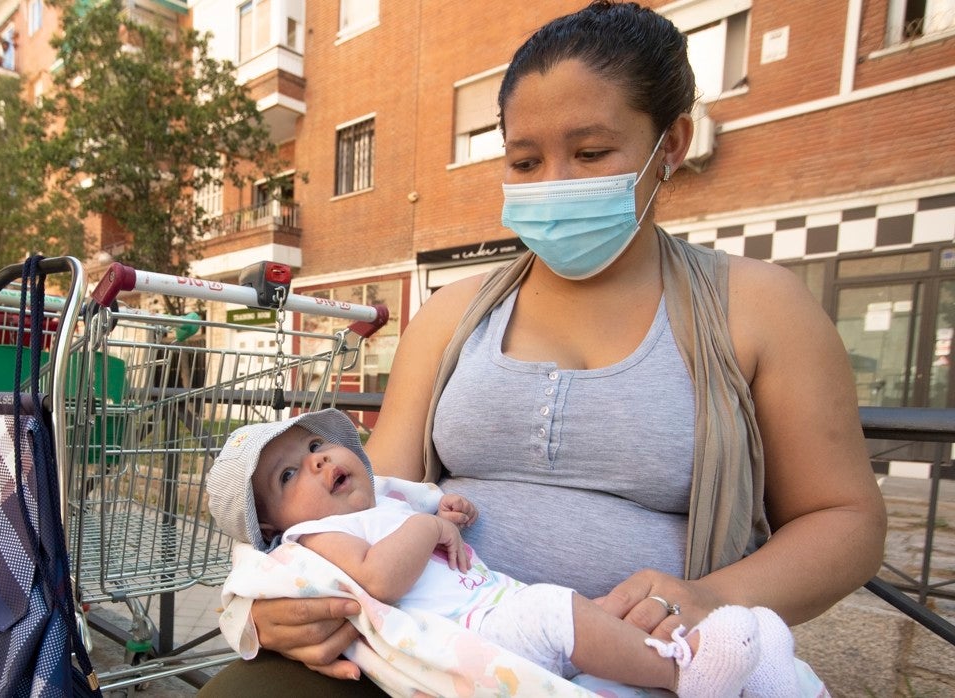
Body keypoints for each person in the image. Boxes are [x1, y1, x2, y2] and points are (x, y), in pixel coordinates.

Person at [200, 2, 886, 695]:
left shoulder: (758, 307)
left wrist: (708, 595)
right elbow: (370, 496)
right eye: (525, 161)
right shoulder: (451, 314)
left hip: (647, 664)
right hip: (434, 648)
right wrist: (282, 609)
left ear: (671, 144)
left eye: (590, 153)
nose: (554, 182)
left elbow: (845, 520)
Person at [206, 409, 802, 696]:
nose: (317, 460)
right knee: (557, 614)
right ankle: (687, 671)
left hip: (502, 607)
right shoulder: (314, 539)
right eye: (288, 476)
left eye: (316, 445)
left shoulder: (380, 501)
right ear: (270, 524)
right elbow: (381, 578)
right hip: (476, 633)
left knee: (599, 643)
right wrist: (428, 529)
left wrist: (442, 513)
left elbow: (415, 509)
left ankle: (773, 679)